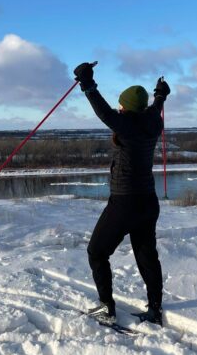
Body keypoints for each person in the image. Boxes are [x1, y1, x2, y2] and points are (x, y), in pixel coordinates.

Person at [73, 61, 170, 326]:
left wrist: (88, 84)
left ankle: (107, 308)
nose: (119, 108)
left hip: (125, 203)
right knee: (146, 255)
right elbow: (156, 106)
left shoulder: (127, 125)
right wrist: (160, 94)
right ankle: (155, 310)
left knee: (96, 252)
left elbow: (104, 112)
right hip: (148, 202)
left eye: (122, 104)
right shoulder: (153, 121)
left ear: (127, 107)